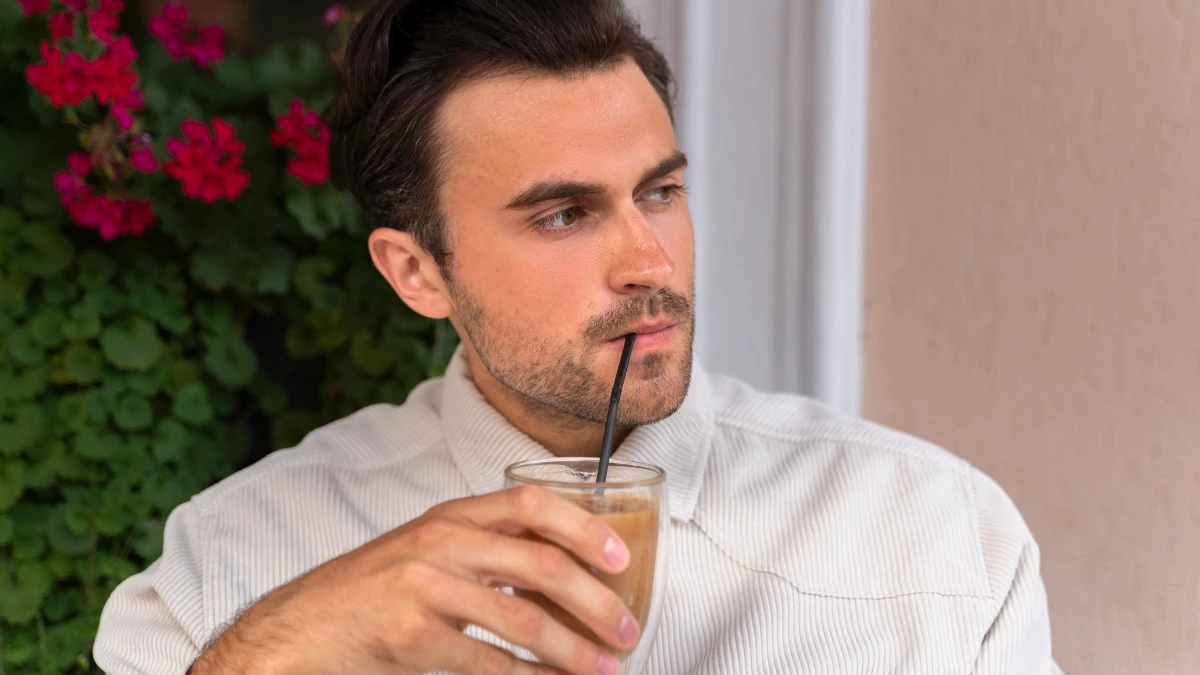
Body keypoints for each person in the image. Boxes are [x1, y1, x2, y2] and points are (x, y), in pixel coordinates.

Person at [94, 1, 1062, 673]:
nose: (649, 261)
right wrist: (275, 656)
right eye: (563, 214)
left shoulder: (934, 536)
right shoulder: (231, 564)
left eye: (660, 192)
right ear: (416, 272)